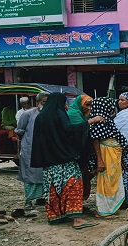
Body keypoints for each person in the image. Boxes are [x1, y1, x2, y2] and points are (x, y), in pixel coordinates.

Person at [31, 92, 101, 229]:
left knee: (53, 189)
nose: (66, 105)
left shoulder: (41, 117)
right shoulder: (59, 114)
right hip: (64, 160)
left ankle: (56, 216)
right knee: (74, 185)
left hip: (49, 162)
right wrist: (89, 122)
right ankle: (76, 219)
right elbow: (69, 131)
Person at [89, 97, 128, 217]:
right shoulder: (99, 120)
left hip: (112, 154)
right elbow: (95, 139)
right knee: (107, 181)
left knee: (111, 180)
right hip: (107, 154)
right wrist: (100, 160)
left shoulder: (106, 119)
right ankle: (103, 210)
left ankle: (106, 208)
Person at [15, 91, 48, 214]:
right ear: (38, 102)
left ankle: (42, 199)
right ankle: (28, 203)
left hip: (45, 151)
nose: (46, 104)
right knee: (30, 175)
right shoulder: (28, 114)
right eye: (44, 102)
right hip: (30, 150)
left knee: (45, 176)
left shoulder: (49, 114)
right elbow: (20, 131)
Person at [67, 94, 99, 202]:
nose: (89, 108)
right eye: (87, 105)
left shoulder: (81, 113)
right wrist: (92, 120)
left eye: (91, 105)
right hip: (74, 150)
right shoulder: (73, 113)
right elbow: (78, 129)